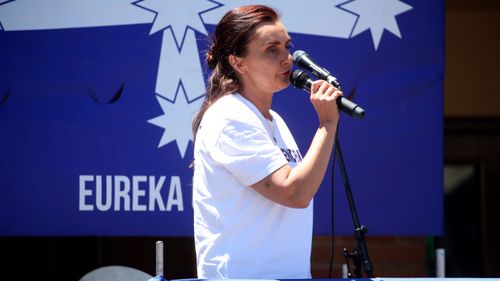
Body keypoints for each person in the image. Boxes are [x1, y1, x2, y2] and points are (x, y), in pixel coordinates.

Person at [192, 4, 342, 279]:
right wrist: (327, 124)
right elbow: (295, 193)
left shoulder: (274, 120)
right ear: (238, 62)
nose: (287, 58)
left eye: (287, 46)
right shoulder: (229, 117)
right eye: (272, 50)